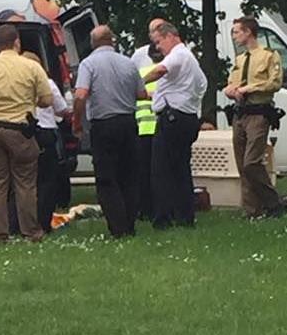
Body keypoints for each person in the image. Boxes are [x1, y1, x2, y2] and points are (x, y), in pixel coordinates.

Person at [0, 24, 53, 243]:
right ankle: (31, 233)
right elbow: (47, 101)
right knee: (25, 183)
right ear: (17, 42)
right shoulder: (32, 68)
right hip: (20, 131)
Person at [73, 25, 148, 238]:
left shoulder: (88, 64)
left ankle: (118, 227)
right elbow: (142, 94)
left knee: (107, 178)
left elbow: (80, 95)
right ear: (112, 41)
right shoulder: (129, 63)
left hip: (104, 125)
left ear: (93, 42)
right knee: (129, 176)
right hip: (128, 123)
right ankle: (130, 224)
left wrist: (77, 122)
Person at [143, 22, 207, 230]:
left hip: (172, 119)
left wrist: (138, 81)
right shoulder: (192, 62)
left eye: (159, 42)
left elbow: (160, 71)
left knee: (161, 170)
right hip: (186, 117)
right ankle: (185, 216)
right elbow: (200, 85)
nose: (158, 47)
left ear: (170, 36)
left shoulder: (178, 55)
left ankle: (163, 218)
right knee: (181, 169)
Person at [224, 17, 284, 219]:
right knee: (242, 165)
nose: (234, 36)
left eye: (236, 32)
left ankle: (273, 202)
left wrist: (250, 88)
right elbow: (231, 84)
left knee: (252, 162)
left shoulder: (268, 56)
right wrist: (230, 91)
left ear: (248, 32)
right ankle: (252, 211)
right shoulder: (240, 59)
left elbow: (274, 83)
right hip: (240, 113)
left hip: (259, 113)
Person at [20, 51, 69, 232]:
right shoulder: (47, 83)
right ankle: (43, 222)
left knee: (24, 181)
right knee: (47, 181)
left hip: (23, 132)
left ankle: (22, 222)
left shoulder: (16, 84)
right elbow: (62, 108)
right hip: (46, 133)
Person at [135, 42, 164, 220]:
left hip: (141, 127)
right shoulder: (164, 74)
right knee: (160, 171)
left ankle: (144, 209)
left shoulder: (141, 74)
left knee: (142, 171)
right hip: (159, 126)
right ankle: (160, 207)